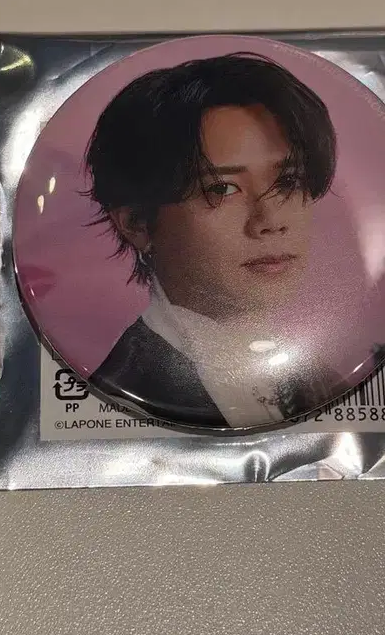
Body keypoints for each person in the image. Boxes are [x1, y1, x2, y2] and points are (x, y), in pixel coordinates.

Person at [85, 52, 341, 429]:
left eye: (289, 182)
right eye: (222, 189)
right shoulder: (115, 396)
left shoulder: (329, 379)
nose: (270, 222)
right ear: (137, 224)